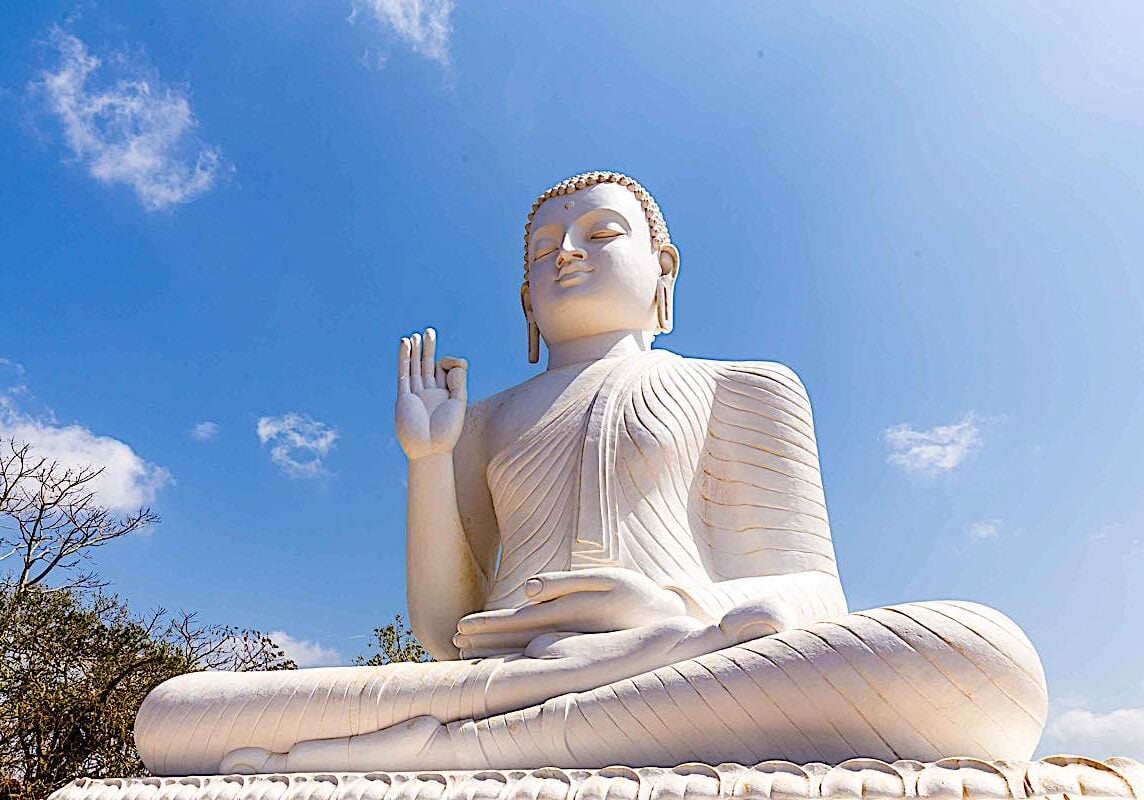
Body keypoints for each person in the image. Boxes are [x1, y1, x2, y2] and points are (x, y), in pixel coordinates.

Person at [136, 172, 1047, 776]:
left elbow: (814, 597)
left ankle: (439, 754)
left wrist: (668, 615)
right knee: (172, 714)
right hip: (513, 678)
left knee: (979, 660)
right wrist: (428, 461)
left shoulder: (740, 386)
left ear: (663, 268)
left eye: (598, 233)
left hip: (685, 657)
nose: (564, 253)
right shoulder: (483, 421)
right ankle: (473, 738)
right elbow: (450, 635)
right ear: (526, 302)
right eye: (541, 253)